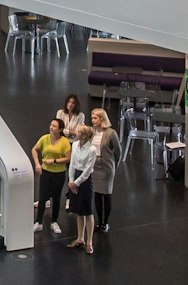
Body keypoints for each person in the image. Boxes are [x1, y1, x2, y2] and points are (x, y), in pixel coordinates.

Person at [32, 118, 70, 236]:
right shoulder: (45, 138)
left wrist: (54, 160)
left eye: (54, 126)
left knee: (56, 198)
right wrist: (38, 164)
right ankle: (38, 222)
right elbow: (34, 149)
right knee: (42, 197)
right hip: (46, 172)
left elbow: (68, 158)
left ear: (60, 129)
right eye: (51, 125)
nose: (51, 127)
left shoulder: (64, 141)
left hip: (59, 173)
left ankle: (54, 221)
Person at [64, 123, 97, 255]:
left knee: (87, 211)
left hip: (84, 180)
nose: (75, 133)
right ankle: (80, 238)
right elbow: (72, 164)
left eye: (78, 132)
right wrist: (71, 181)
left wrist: (76, 182)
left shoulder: (92, 150)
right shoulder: (75, 145)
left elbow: (88, 170)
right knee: (78, 211)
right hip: (75, 177)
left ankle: (89, 242)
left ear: (84, 136)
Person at [87, 107, 121, 234]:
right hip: (94, 166)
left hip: (106, 167)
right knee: (96, 194)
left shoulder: (111, 133)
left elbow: (118, 151)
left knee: (106, 195)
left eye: (95, 118)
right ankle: (99, 220)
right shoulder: (92, 131)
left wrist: (113, 164)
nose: (93, 120)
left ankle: (105, 222)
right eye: (92, 118)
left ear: (102, 119)